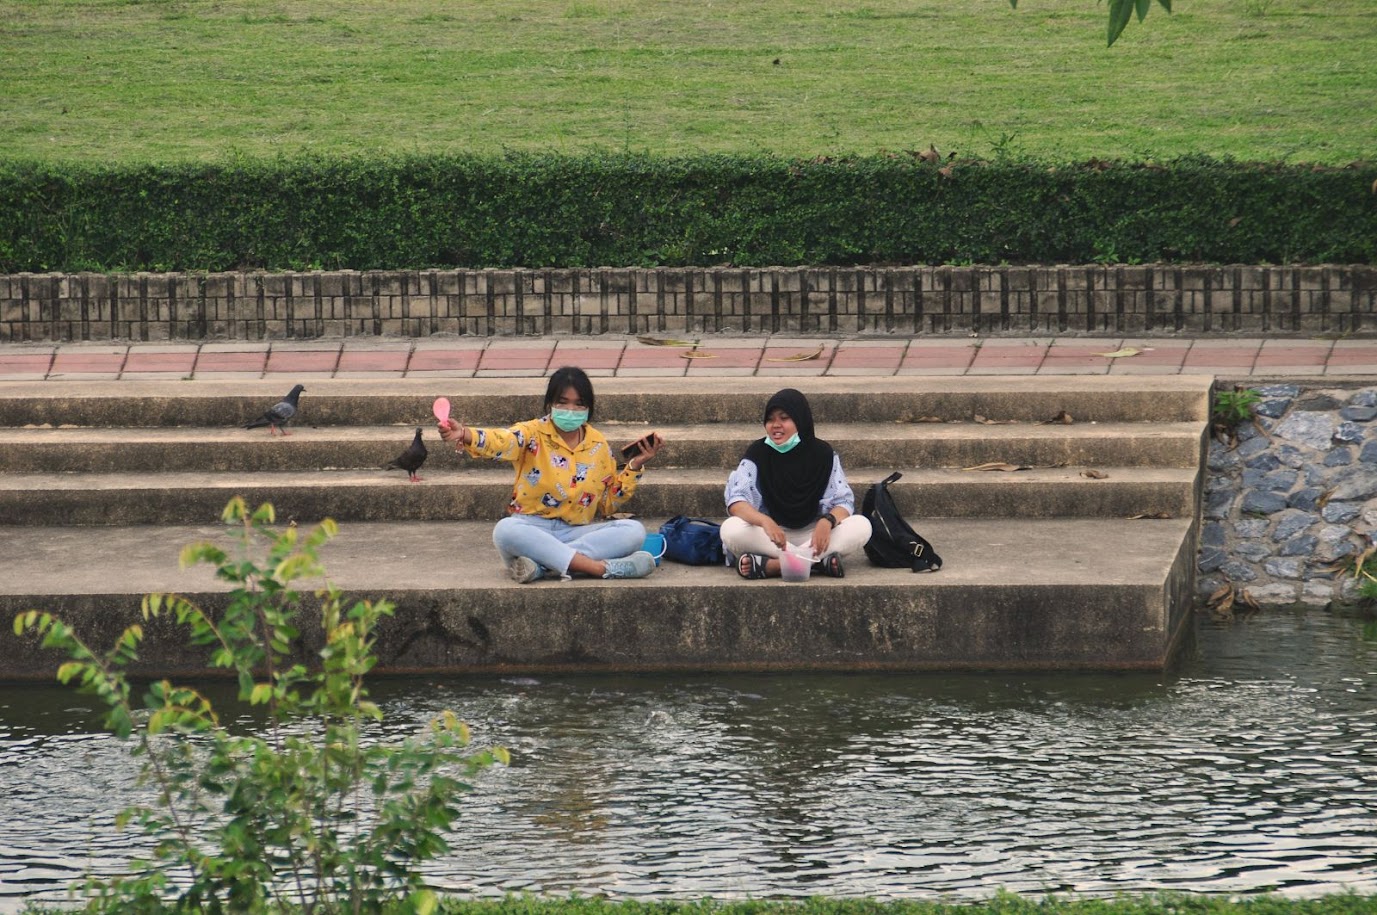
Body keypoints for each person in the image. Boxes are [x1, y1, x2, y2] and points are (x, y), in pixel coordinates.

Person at [437, 366, 661, 583]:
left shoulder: (598, 444)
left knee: (633, 531)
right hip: (531, 530)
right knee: (505, 530)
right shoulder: (532, 433)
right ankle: (601, 568)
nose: (570, 411)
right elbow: (501, 440)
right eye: (563, 403)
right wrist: (465, 434)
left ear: (588, 409)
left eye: (578, 404)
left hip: (576, 532)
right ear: (550, 404)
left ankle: (542, 566)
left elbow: (607, 503)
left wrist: (633, 467)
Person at [721, 387, 872, 579]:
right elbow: (736, 501)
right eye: (770, 419)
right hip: (771, 536)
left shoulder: (823, 454)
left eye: (784, 418)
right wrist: (765, 521)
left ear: (800, 420)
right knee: (730, 529)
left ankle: (773, 566)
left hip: (813, 534)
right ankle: (816, 564)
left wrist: (827, 522)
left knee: (862, 525)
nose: (776, 425)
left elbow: (843, 502)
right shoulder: (758, 453)